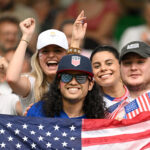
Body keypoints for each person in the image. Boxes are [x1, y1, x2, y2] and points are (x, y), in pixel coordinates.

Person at [6, 18, 68, 113]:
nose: (51, 55)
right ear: (38, 58)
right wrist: (26, 37)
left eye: (57, 50)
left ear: (66, 56)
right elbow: (12, 79)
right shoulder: (31, 83)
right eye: (45, 51)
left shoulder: (75, 82)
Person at [27, 54, 105, 119]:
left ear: (90, 85)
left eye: (81, 78)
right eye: (66, 77)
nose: (73, 82)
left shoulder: (98, 119)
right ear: (58, 83)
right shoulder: (38, 111)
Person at [119, 41, 150, 119]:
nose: (133, 68)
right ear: (119, 69)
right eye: (127, 63)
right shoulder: (110, 112)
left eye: (140, 62)